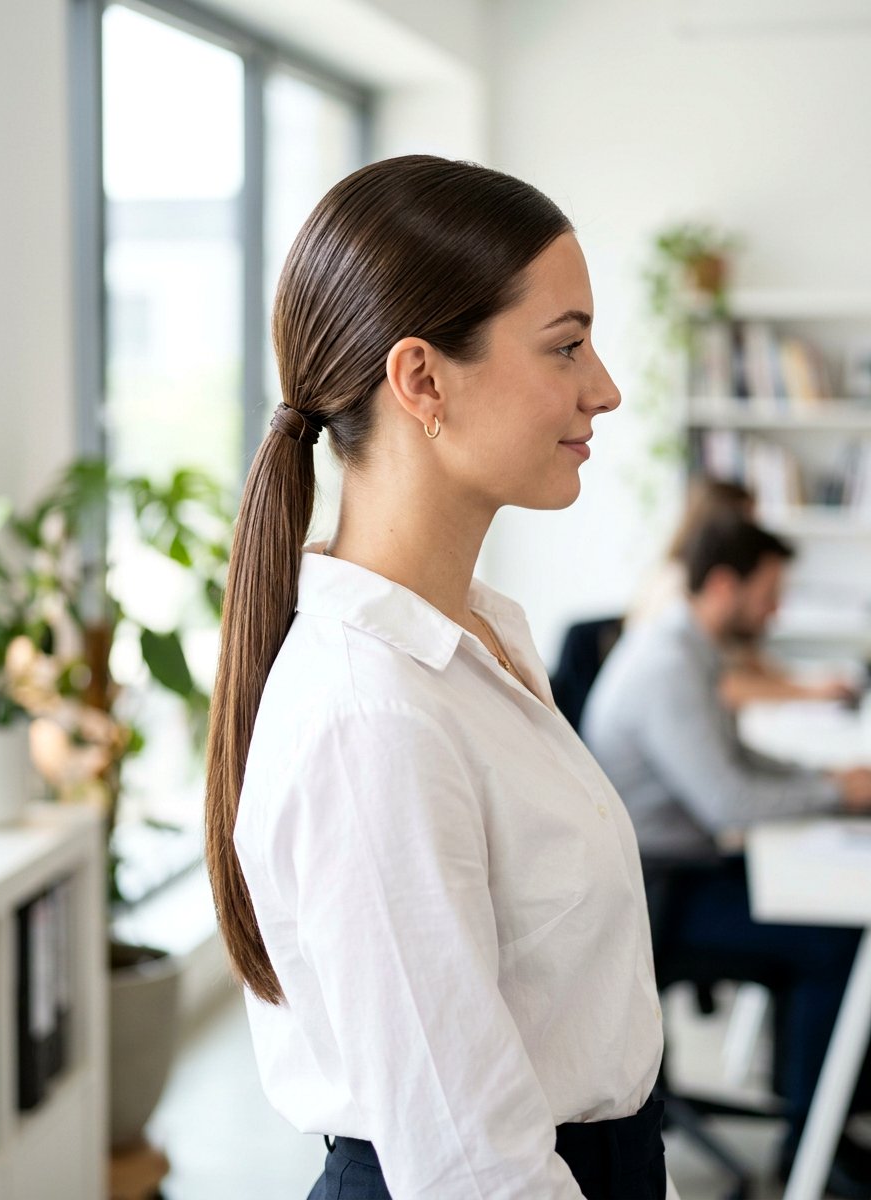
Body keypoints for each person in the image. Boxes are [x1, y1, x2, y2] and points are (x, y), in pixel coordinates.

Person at [204, 155, 673, 1200]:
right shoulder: (371, 714)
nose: (604, 388)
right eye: (566, 344)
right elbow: (470, 1169)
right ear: (420, 380)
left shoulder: (477, 640)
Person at [582, 510, 871, 1197]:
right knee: (836, 939)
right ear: (722, 585)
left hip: (671, 868)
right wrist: (838, 792)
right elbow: (729, 802)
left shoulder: (686, 647)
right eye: (768, 593)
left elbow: (735, 762)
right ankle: (814, 1145)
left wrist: (831, 780)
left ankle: (812, 1100)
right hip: (655, 896)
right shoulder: (668, 666)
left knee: (820, 913)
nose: (776, 610)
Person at [628, 474, 858, 708]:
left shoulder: (712, 597)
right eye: (747, 521)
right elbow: (722, 684)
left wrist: (806, 680)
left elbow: (743, 660)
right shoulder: (676, 589)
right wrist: (808, 692)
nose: (752, 533)